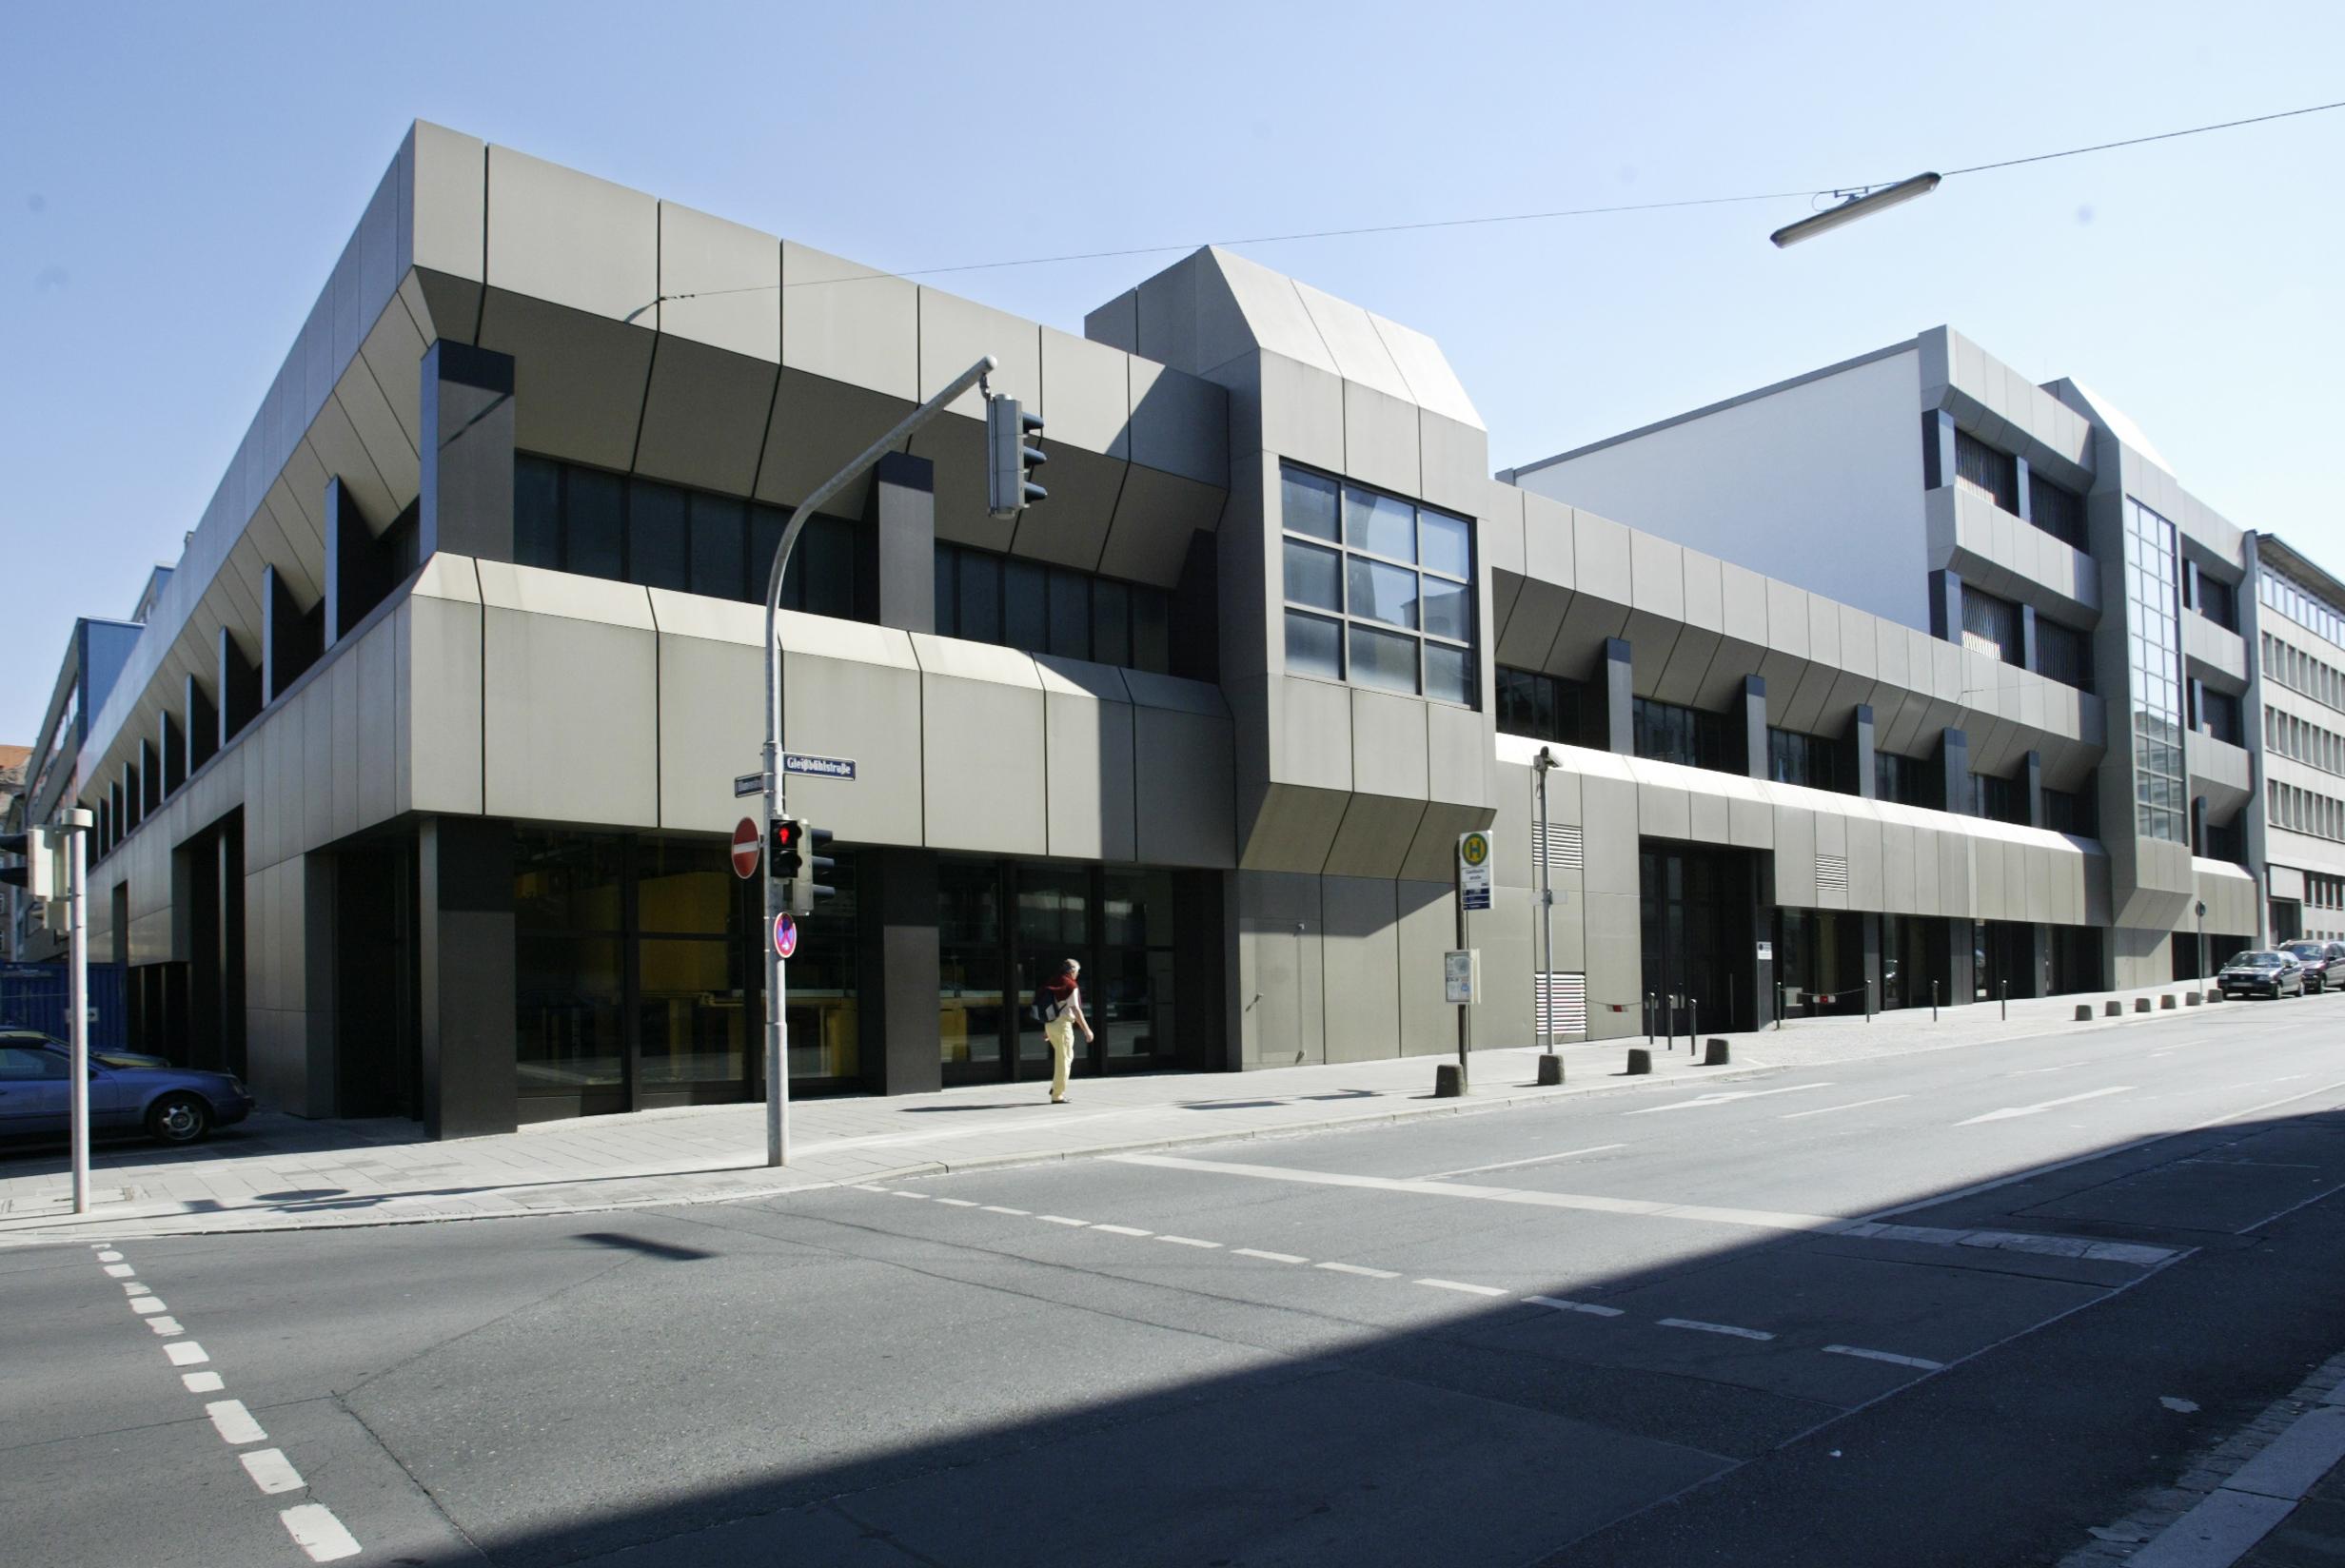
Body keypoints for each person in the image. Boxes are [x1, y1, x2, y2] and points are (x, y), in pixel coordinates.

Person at [1036, 958, 1093, 1105]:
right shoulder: (1070, 985)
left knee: (1062, 1057)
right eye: (1077, 972)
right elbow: (1075, 1009)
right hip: (1062, 1026)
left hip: (1050, 1025)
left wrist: (1046, 1029)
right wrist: (1087, 1030)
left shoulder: (1053, 981)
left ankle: (1056, 1087)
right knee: (1065, 1060)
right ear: (1072, 970)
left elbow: (1048, 1006)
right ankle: (1057, 1094)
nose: (1077, 975)